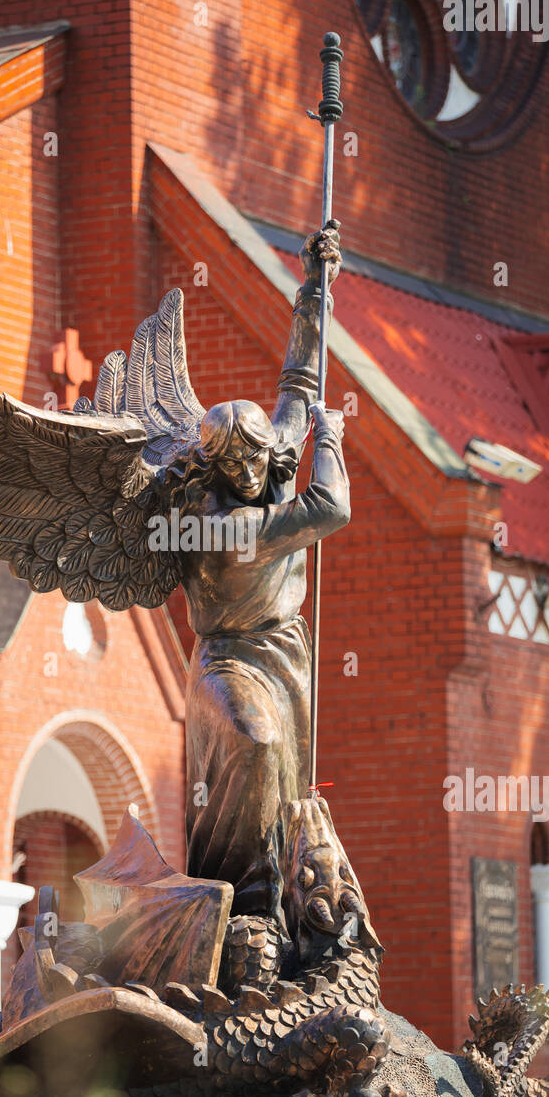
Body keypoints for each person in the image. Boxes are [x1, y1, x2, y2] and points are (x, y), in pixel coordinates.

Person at [176, 225, 349, 925]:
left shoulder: (264, 470)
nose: (253, 472)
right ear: (214, 465)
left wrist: (315, 287)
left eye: (258, 457)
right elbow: (330, 506)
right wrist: (332, 437)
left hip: (285, 654)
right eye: (237, 463)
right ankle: (232, 899)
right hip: (229, 662)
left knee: (285, 786)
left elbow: (299, 388)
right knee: (255, 743)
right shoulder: (221, 530)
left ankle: (275, 903)